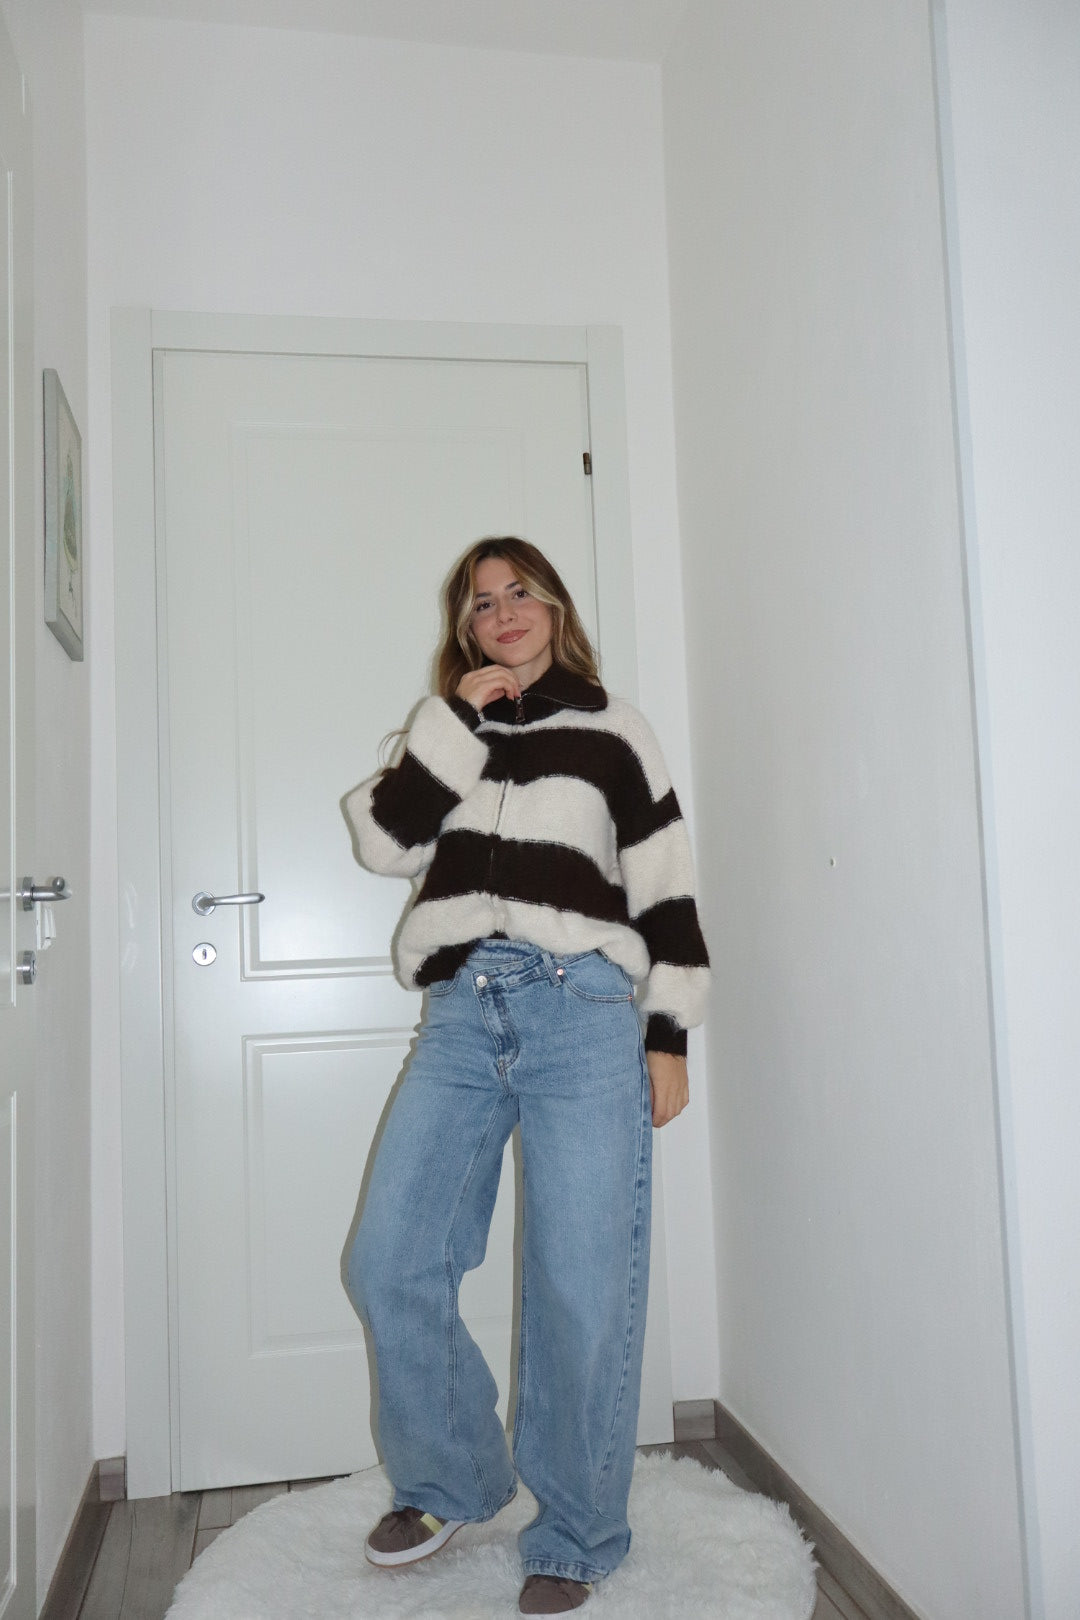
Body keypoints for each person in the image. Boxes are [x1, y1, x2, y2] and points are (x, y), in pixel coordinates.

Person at [343, 537, 709, 1615]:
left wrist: (669, 1034)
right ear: (463, 628)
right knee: (389, 1259)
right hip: (462, 1016)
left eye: (520, 593)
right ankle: (453, 1479)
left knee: (579, 1286)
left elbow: (666, 882)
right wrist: (454, 720)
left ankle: (578, 1529)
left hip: (582, 1012)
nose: (502, 612)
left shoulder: (614, 729)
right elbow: (382, 841)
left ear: (554, 606)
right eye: (480, 602)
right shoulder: (444, 737)